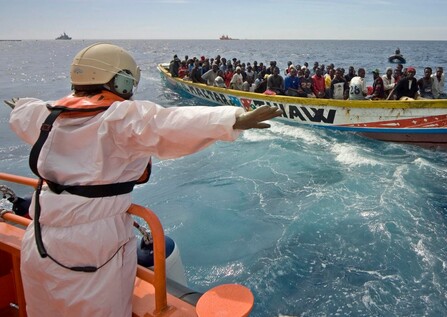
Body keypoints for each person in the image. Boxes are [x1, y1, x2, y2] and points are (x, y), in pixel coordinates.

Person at [7, 42, 282, 317]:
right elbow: (167, 124)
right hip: (93, 247)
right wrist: (230, 120)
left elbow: (24, 112)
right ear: (121, 81)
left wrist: (19, 105)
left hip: (39, 239)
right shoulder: (117, 117)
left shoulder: (46, 114)